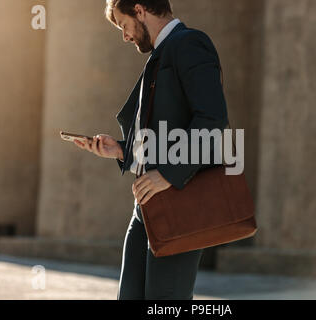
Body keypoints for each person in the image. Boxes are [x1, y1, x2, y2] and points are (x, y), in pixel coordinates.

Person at [74, 0, 228, 300]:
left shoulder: (190, 44)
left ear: (140, 10)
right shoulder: (160, 56)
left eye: (123, 25)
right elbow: (163, 134)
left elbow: (212, 118)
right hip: (145, 209)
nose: (125, 36)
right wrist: (121, 150)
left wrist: (168, 175)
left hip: (182, 208)